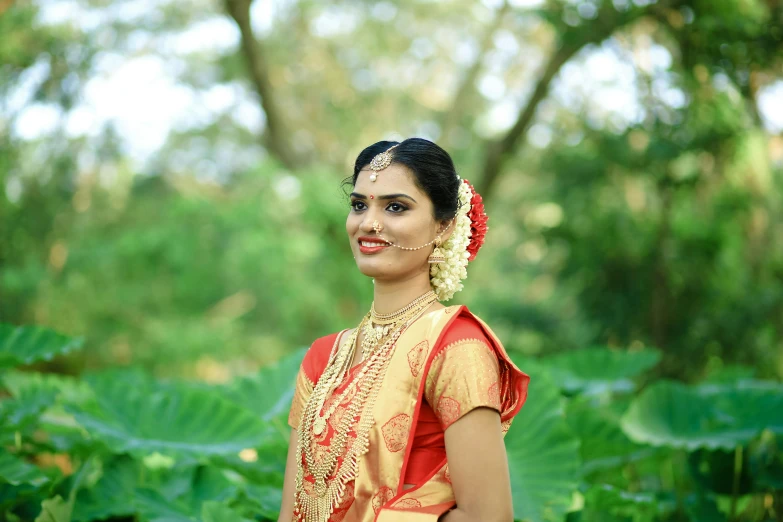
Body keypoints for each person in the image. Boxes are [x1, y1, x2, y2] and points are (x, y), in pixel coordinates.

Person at [278, 138, 530, 522]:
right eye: (359, 204)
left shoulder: (456, 345)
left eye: (395, 207)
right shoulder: (322, 358)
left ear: (444, 226)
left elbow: (488, 516)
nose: (368, 223)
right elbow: (292, 509)